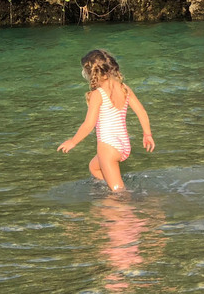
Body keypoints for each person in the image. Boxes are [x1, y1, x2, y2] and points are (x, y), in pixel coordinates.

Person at [57, 48, 155, 191]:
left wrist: (73, 141)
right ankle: (105, 194)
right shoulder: (124, 88)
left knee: (119, 192)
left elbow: (89, 124)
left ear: (91, 74)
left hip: (108, 147)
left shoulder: (98, 94)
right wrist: (147, 134)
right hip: (123, 145)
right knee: (94, 167)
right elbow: (142, 112)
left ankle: (131, 203)